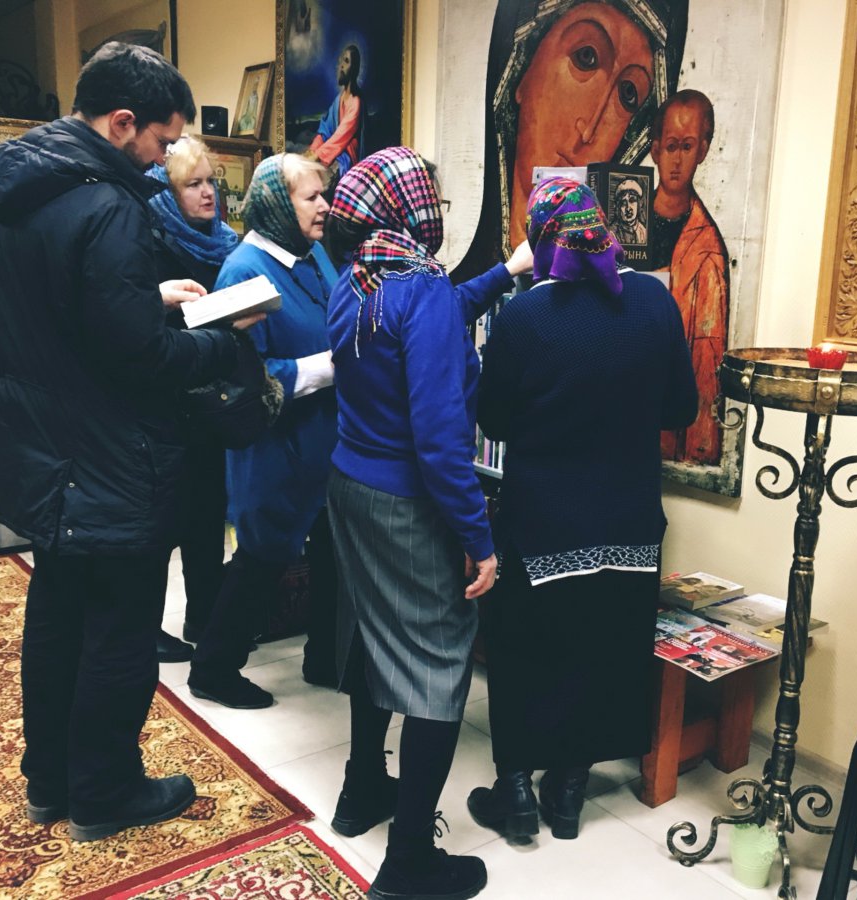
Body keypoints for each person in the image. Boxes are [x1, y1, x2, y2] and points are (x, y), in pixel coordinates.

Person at [0, 41, 262, 842]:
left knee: (57, 619)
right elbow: (145, 361)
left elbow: (68, 308)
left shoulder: (26, 187)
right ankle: (105, 792)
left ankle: (50, 781)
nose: (164, 159)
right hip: (109, 456)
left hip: (46, 446)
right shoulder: (109, 207)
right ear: (122, 121)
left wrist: (146, 295)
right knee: (120, 633)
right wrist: (223, 338)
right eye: (163, 141)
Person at [324, 146, 533, 900]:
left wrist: (504, 272)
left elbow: (433, 313)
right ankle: (409, 860)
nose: (437, 209)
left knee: (375, 635)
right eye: (433, 199)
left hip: (350, 485)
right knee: (439, 665)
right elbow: (442, 444)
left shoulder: (359, 276)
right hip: (406, 502)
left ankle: (361, 790)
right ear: (411, 208)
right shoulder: (421, 289)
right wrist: (479, 540)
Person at [466, 176, 697, 842]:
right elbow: (681, 409)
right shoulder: (652, 300)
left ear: (542, 239)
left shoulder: (525, 317)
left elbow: (494, 420)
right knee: (604, 651)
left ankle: (516, 793)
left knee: (525, 650)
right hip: (628, 523)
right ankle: (568, 794)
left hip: (545, 524)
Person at [187, 153, 342, 709]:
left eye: (324, 194)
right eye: (311, 197)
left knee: (331, 553)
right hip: (275, 446)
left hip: (325, 438)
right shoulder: (242, 270)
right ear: (278, 204)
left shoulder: (313, 253)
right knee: (262, 558)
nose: (325, 206)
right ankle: (213, 669)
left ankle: (325, 656)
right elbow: (242, 375)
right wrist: (332, 366)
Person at [453, 0, 688, 275]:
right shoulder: (460, 293)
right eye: (586, 57)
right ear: (523, 71)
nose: (589, 130)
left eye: (628, 94)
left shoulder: (624, 289)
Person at [146, 135, 240, 663]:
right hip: (165, 400)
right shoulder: (151, 241)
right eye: (193, 184)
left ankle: (204, 615)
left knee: (208, 512)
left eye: (211, 183)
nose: (208, 194)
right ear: (168, 193)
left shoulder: (226, 243)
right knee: (163, 524)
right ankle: (148, 628)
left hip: (213, 399)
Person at [649, 89, 729, 466]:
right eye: (670, 146)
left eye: (687, 146)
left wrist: (696, 450)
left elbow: (707, 361)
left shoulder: (707, 248)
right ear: (655, 150)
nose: (677, 160)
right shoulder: (623, 227)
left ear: (703, 151)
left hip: (663, 412)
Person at [308, 44, 363, 177]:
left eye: (347, 61)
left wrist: (317, 155)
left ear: (354, 68)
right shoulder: (338, 100)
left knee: (325, 175)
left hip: (346, 155)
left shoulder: (356, 102)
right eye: (341, 61)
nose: (341, 66)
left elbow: (340, 137)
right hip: (332, 151)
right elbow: (325, 131)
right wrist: (312, 151)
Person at [612, 177, 647, 244]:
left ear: (639, 204)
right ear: (618, 207)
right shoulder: (612, 233)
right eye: (623, 203)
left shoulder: (644, 232)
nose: (628, 208)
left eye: (632, 200)